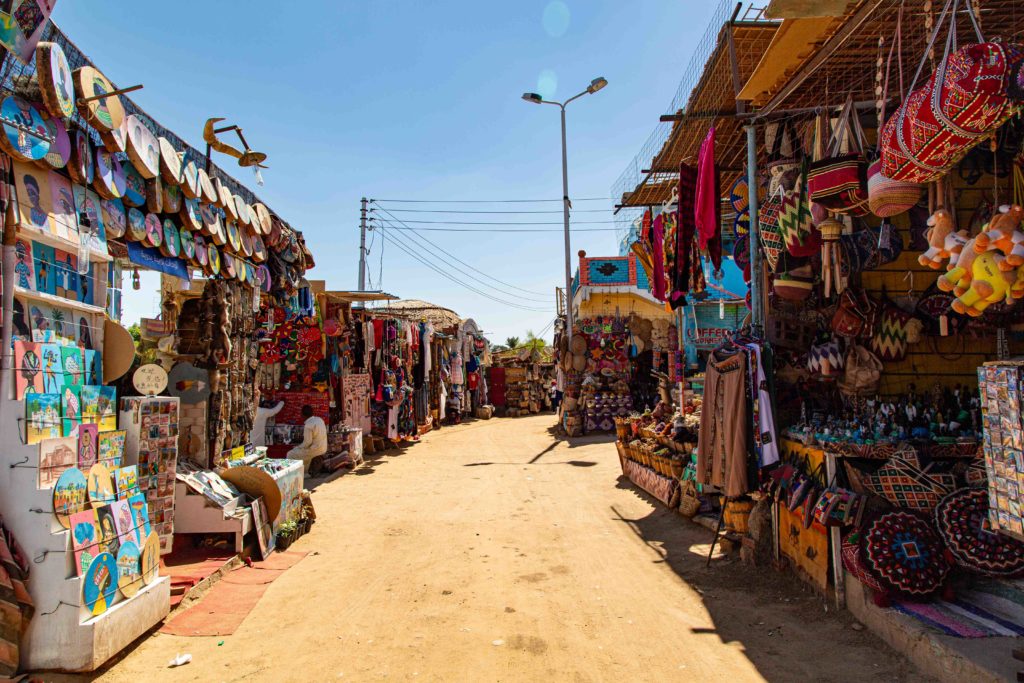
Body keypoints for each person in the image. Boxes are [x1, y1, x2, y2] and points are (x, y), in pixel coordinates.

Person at [287, 404, 327, 474]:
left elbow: (307, 443)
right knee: (302, 452)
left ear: (302, 415)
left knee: (290, 454)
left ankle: (292, 474)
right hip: (323, 448)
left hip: (316, 450)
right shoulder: (319, 420)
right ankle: (305, 472)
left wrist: (297, 447)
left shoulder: (308, 425)